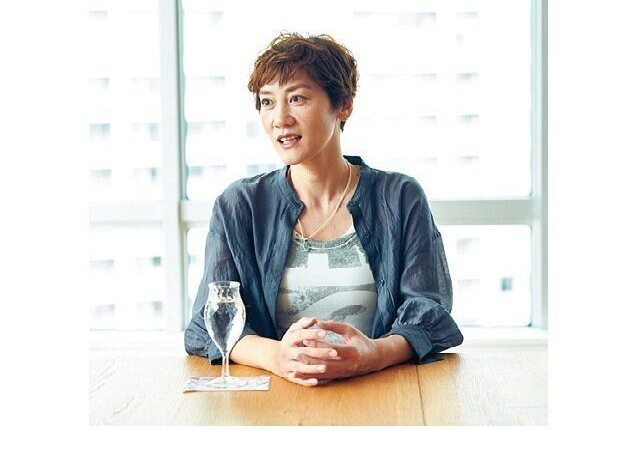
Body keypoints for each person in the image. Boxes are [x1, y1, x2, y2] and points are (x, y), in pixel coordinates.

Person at [184, 31, 464, 387]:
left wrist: (374, 354)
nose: (280, 118)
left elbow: (429, 312)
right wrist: (276, 357)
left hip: (381, 394)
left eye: (297, 98)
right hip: (273, 400)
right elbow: (205, 324)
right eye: (267, 102)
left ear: (343, 104)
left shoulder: (400, 197)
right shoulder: (239, 205)